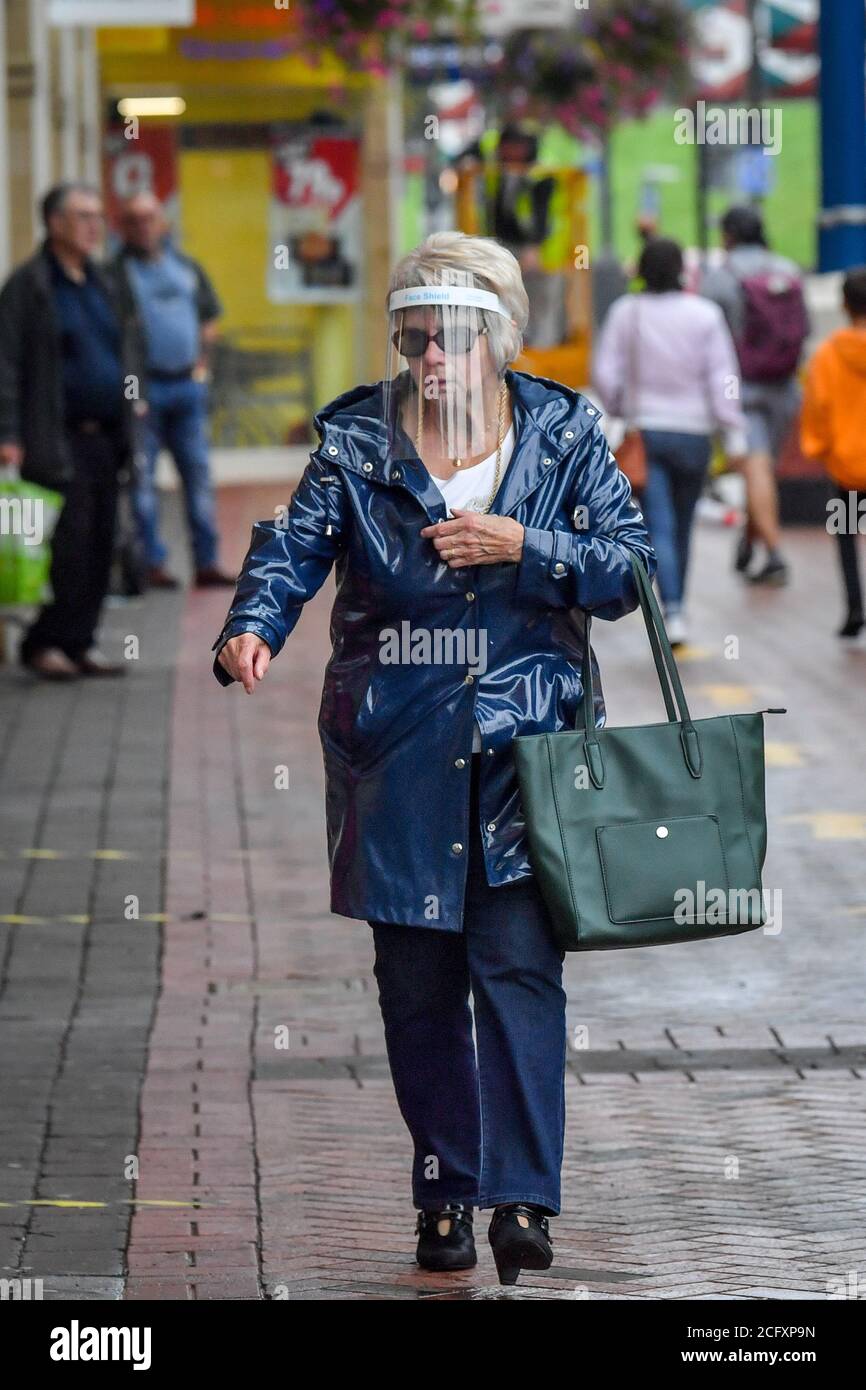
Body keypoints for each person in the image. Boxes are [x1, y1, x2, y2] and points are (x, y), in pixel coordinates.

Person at [211, 232, 656, 1285]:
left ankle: (521, 1199)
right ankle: (444, 1192)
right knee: (414, 984)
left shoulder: (561, 433)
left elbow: (629, 565)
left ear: (497, 340)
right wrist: (254, 624)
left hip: (529, 750)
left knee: (516, 970)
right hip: (396, 748)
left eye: (448, 338)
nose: (427, 358)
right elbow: (291, 541)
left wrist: (523, 548)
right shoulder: (358, 441)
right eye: (410, 338)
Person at [0, 181, 145, 680]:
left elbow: (126, 345)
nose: (93, 225)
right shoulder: (30, 286)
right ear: (54, 223)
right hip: (56, 438)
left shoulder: (102, 281)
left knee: (102, 542)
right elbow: (7, 365)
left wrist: (133, 398)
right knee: (66, 545)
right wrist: (9, 433)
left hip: (107, 436)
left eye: (96, 216)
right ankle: (46, 643)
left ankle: (81, 640)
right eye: (82, 216)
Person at [593, 237, 747, 646]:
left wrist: (620, 406)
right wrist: (731, 427)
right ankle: (678, 605)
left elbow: (605, 372)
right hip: (695, 435)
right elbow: (723, 376)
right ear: (683, 268)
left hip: (647, 432)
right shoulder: (706, 315)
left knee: (657, 522)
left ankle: (672, 608)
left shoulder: (627, 312)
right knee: (683, 523)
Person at [115, 191, 234, 589]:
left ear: (162, 222)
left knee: (198, 476)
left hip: (187, 388)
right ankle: (151, 564)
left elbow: (210, 318)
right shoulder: (114, 275)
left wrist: (202, 366)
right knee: (142, 480)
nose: (143, 226)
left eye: (150, 218)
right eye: (134, 220)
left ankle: (206, 562)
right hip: (143, 392)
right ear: (123, 228)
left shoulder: (186, 268)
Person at [701, 205, 809, 587]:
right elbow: (804, 329)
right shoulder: (789, 270)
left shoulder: (720, 276)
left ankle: (775, 554)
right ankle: (750, 542)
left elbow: (707, 339)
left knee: (756, 468)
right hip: (785, 386)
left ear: (729, 235)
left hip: (741, 388)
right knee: (760, 470)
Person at [800, 266, 866, 639]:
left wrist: (822, 449)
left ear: (844, 304)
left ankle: (855, 608)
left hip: (846, 469)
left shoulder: (827, 356)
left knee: (845, 537)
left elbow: (818, 408)